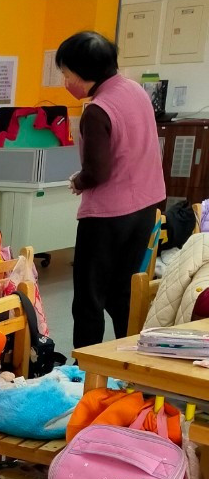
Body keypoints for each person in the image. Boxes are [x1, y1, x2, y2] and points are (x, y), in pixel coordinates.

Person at [56, 31, 165, 348]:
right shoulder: (135, 91)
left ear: (82, 72)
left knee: (89, 298)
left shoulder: (98, 109)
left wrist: (78, 181)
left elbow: (97, 172)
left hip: (108, 217)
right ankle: (129, 360)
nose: (66, 81)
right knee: (123, 293)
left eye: (66, 73)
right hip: (146, 207)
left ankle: (84, 368)